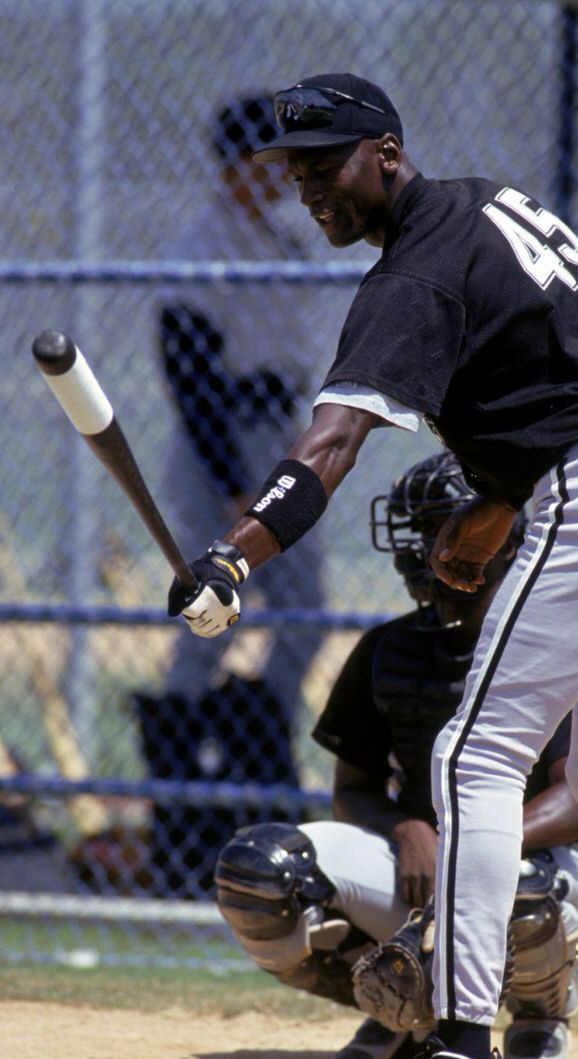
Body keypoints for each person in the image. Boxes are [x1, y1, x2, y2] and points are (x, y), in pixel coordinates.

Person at [166, 74, 578, 1059]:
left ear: (388, 155)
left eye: (327, 166)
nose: (308, 190)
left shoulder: (410, 272)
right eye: (294, 171)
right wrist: (497, 493)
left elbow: (328, 449)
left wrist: (232, 557)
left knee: (468, 757)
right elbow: (561, 368)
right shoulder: (486, 204)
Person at [213, 451, 578, 1059]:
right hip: (421, 880)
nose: (429, 548)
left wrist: (473, 844)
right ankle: (401, 1005)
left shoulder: (553, 646)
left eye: (445, 526)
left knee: (526, 885)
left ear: (504, 537)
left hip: (526, 869)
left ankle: (540, 1014)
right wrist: (404, 829)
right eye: (418, 531)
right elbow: (354, 792)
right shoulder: (387, 649)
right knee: (260, 873)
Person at [136, 94, 329, 893]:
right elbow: (189, 376)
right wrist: (230, 486)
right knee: (207, 612)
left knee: (308, 617)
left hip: (280, 426)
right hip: (223, 438)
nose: (282, 176)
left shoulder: (284, 239)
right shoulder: (202, 246)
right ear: (232, 169)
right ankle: (181, 783)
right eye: (267, 163)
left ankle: (251, 730)